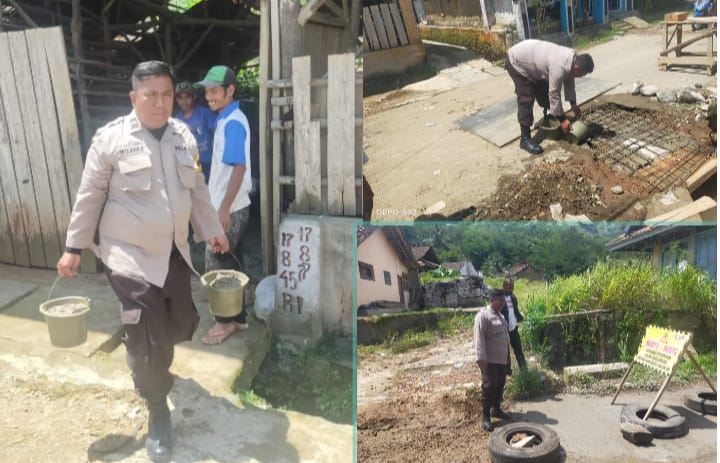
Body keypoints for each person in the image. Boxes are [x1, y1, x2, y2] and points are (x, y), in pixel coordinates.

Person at [56, 60, 229, 463]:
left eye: (167, 94)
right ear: (134, 97)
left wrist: (211, 230)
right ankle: (157, 410)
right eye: (150, 94)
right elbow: (89, 195)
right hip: (127, 256)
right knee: (149, 338)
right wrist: (73, 247)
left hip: (173, 252)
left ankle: (144, 350)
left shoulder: (183, 136)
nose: (160, 102)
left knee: (179, 323)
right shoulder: (111, 139)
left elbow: (198, 190)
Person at [194, 65, 253, 345]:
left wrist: (223, 208)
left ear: (230, 90)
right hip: (230, 205)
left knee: (215, 262)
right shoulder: (227, 119)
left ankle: (223, 322)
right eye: (206, 91)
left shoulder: (232, 123)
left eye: (215, 91)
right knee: (232, 259)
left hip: (230, 207)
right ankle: (239, 318)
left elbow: (238, 168)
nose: (209, 96)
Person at [506, 39, 595, 155]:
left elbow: (569, 80)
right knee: (526, 98)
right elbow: (554, 94)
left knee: (544, 90)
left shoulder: (572, 59)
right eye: (582, 75)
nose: (580, 77)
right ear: (577, 67)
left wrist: (573, 104)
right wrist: (563, 120)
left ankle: (548, 117)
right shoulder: (560, 66)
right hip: (517, 62)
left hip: (533, 61)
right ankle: (525, 139)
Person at [474, 288, 512, 432]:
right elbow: (479, 341)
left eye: (504, 300)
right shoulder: (483, 316)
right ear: (492, 300)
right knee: (488, 388)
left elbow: (506, 341)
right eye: (500, 300)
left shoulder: (501, 317)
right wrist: (481, 360)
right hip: (490, 362)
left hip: (502, 362)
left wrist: (508, 361)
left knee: (499, 386)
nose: (502, 303)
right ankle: (485, 417)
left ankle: (496, 410)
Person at [174, 81, 216, 183]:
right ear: (176, 100)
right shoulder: (176, 120)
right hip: (188, 165)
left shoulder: (205, 113)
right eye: (180, 97)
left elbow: (219, 135)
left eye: (187, 96)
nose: (184, 101)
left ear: (194, 97)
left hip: (209, 164)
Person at [501, 277, 527, 372]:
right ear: (504, 286)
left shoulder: (513, 298)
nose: (512, 289)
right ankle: (507, 371)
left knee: (518, 349)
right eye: (510, 287)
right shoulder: (499, 299)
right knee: (505, 352)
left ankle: (524, 369)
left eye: (513, 287)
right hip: (504, 330)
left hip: (513, 328)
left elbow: (515, 311)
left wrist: (522, 318)